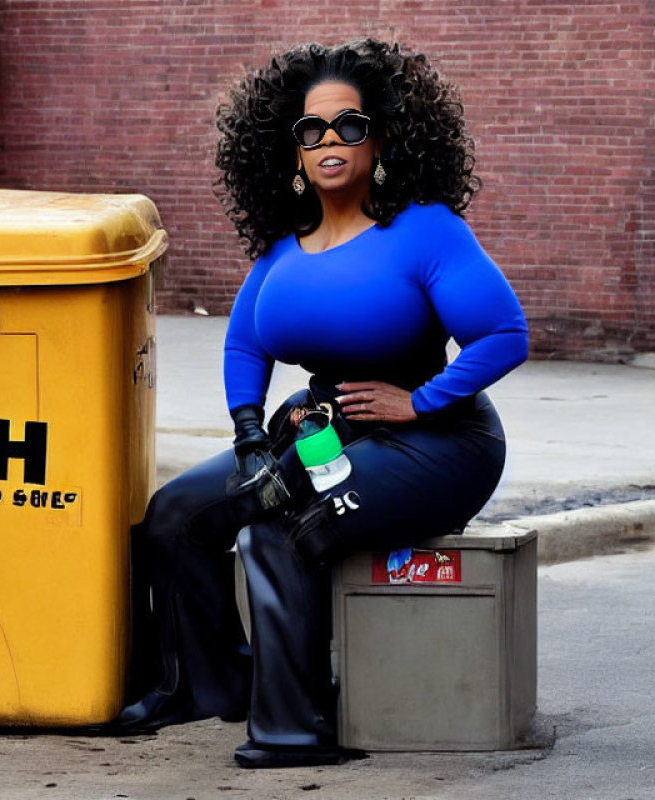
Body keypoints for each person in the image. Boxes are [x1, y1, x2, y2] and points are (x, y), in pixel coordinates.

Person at [107, 39, 530, 769]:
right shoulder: (282, 248)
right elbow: (245, 347)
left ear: (383, 136)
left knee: (286, 524)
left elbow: (504, 334)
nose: (329, 142)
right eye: (312, 131)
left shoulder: (426, 228)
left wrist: (422, 401)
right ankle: (202, 685)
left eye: (349, 126)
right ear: (293, 151)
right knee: (178, 514)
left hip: (437, 443)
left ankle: (294, 727)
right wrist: (247, 432)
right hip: (323, 430)